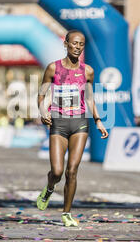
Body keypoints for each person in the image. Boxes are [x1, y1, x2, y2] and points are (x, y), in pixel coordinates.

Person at [36, 29, 108, 227]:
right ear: (66, 44)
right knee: (57, 171)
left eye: (81, 44)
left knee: (72, 171)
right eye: (74, 43)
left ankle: (66, 213)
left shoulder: (88, 71)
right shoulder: (52, 68)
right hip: (58, 123)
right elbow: (41, 96)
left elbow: (90, 97)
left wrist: (98, 120)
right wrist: (43, 111)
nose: (78, 47)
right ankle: (50, 187)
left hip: (80, 123)